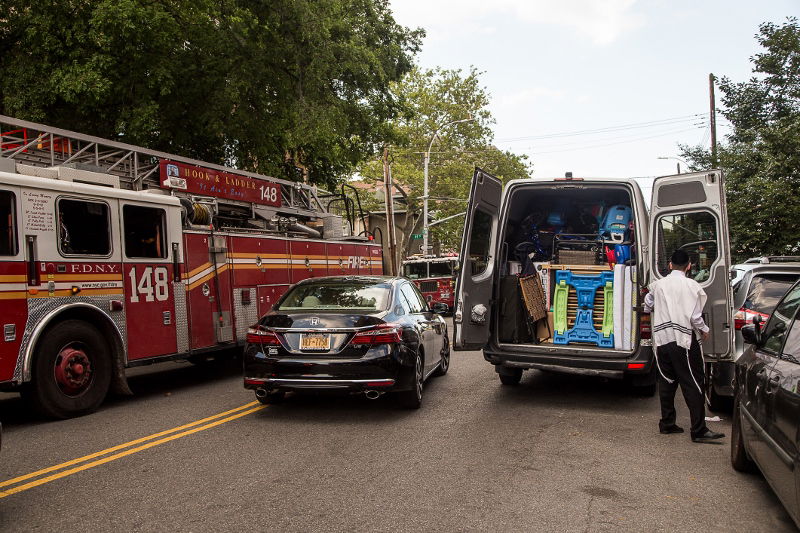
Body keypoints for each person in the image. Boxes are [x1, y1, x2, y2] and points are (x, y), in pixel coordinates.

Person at [644, 249, 725, 443]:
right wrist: (705, 329)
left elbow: (647, 304)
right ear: (689, 266)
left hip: (663, 340)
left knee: (667, 381)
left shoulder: (658, 285)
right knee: (693, 383)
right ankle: (698, 430)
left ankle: (667, 423)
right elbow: (695, 316)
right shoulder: (692, 286)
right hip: (683, 340)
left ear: (670, 265)